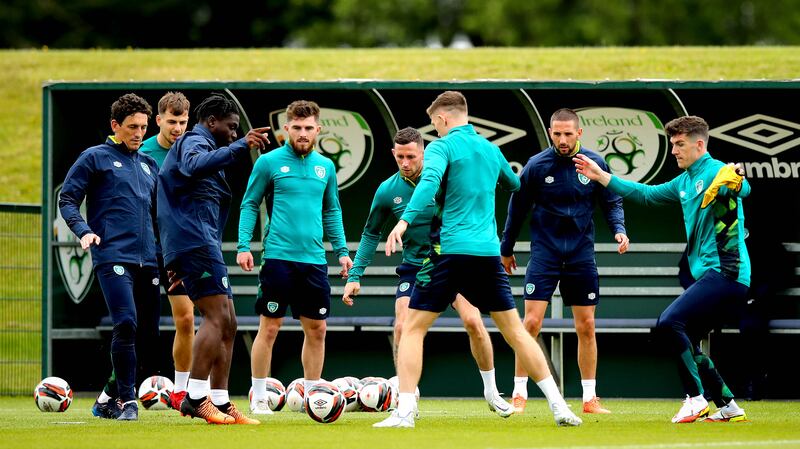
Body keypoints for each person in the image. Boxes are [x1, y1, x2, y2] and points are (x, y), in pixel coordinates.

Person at [374, 91, 582, 428]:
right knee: (516, 332)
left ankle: (405, 413)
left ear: (442, 118)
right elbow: (514, 183)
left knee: (412, 329)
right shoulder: (491, 149)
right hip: (487, 253)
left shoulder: (441, 147)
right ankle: (560, 407)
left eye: (434, 124)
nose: (435, 130)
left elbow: (428, 182)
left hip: (449, 252)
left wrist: (404, 220)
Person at [574, 115, 750, 423]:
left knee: (669, 322)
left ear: (699, 145)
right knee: (686, 338)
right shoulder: (684, 181)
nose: (674, 151)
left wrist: (737, 177)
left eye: (680, 144)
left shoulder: (716, 171)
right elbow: (646, 195)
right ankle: (729, 406)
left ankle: (695, 399)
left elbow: (741, 186)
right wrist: (601, 176)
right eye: (672, 145)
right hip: (715, 276)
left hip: (726, 273)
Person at [342, 127, 512, 418]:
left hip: (453, 261)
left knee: (474, 321)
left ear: (424, 153)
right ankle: (407, 399)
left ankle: (492, 392)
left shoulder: (447, 180)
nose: (405, 162)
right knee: (402, 326)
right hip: (416, 268)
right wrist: (355, 275)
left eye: (411, 156)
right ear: (393, 154)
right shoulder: (387, 190)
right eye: (400, 157)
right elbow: (370, 234)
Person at [500, 108, 628, 415]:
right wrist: (506, 248)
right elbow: (516, 209)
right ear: (550, 132)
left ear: (579, 133)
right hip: (545, 253)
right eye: (557, 134)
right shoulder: (536, 165)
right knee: (530, 323)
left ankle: (589, 399)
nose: (562, 140)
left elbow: (612, 201)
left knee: (586, 326)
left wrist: (619, 229)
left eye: (568, 134)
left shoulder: (594, 163)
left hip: (581, 254)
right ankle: (519, 393)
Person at [158, 93, 270, 425]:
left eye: (237, 130)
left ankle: (220, 401)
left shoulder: (203, 146)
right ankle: (195, 398)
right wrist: (241, 146)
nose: (235, 133)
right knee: (217, 318)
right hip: (195, 243)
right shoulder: (194, 141)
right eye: (231, 127)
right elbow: (194, 166)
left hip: (200, 244)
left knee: (229, 323)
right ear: (211, 122)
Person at [237, 100, 352, 415]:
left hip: (313, 260)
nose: (303, 133)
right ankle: (259, 396)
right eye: (297, 128)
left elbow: (332, 210)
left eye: (308, 128)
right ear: (285, 128)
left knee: (317, 329)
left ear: (318, 129)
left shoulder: (325, 166)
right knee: (269, 327)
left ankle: (313, 396)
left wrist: (342, 252)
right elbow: (249, 203)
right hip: (278, 258)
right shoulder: (268, 162)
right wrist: (244, 245)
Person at [59, 93, 161, 421]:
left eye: (143, 127)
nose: (139, 133)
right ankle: (127, 402)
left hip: (148, 260)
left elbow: (159, 216)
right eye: (132, 127)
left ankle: (106, 398)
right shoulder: (94, 157)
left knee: (148, 334)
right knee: (126, 323)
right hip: (112, 255)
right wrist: (83, 230)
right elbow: (67, 199)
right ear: (115, 125)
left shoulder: (149, 164)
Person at [139, 91, 195, 409]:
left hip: (178, 250)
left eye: (183, 122)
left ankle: (181, 391)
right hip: (144, 250)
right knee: (133, 324)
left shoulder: (192, 151)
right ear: (158, 120)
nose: (177, 128)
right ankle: (117, 391)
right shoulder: (142, 152)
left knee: (185, 319)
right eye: (172, 121)